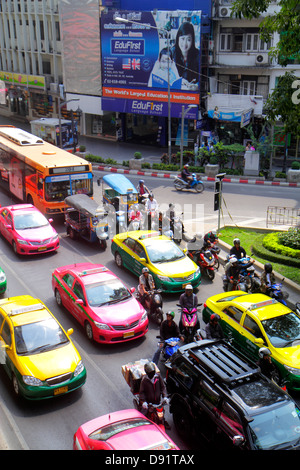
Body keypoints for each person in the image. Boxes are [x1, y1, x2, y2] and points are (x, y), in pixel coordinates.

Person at [139, 362, 170, 429]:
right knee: (143, 415)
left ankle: (163, 421)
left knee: (161, 413)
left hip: (158, 402)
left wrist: (165, 397)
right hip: (149, 403)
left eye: (153, 372)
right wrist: (144, 402)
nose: (152, 374)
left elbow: (163, 387)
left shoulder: (158, 377)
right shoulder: (144, 380)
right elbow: (141, 392)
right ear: (147, 373)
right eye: (150, 373)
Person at [171, 21, 199, 90]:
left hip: (191, 95)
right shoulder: (171, 53)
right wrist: (179, 82)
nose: (185, 43)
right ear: (178, 38)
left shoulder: (197, 54)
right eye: (182, 39)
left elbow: (201, 78)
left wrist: (196, 86)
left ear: (192, 41)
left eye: (188, 40)